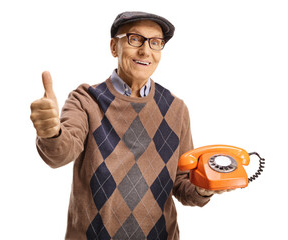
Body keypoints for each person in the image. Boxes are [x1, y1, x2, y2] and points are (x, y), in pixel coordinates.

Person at [30, 11, 226, 240]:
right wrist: (51, 133)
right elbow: (61, 154)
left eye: (155, 43)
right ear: (114, 47)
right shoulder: (85, 99)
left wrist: (203, 188)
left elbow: (181, 184)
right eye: (135, 39)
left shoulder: (176, 109)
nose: (146, 51)